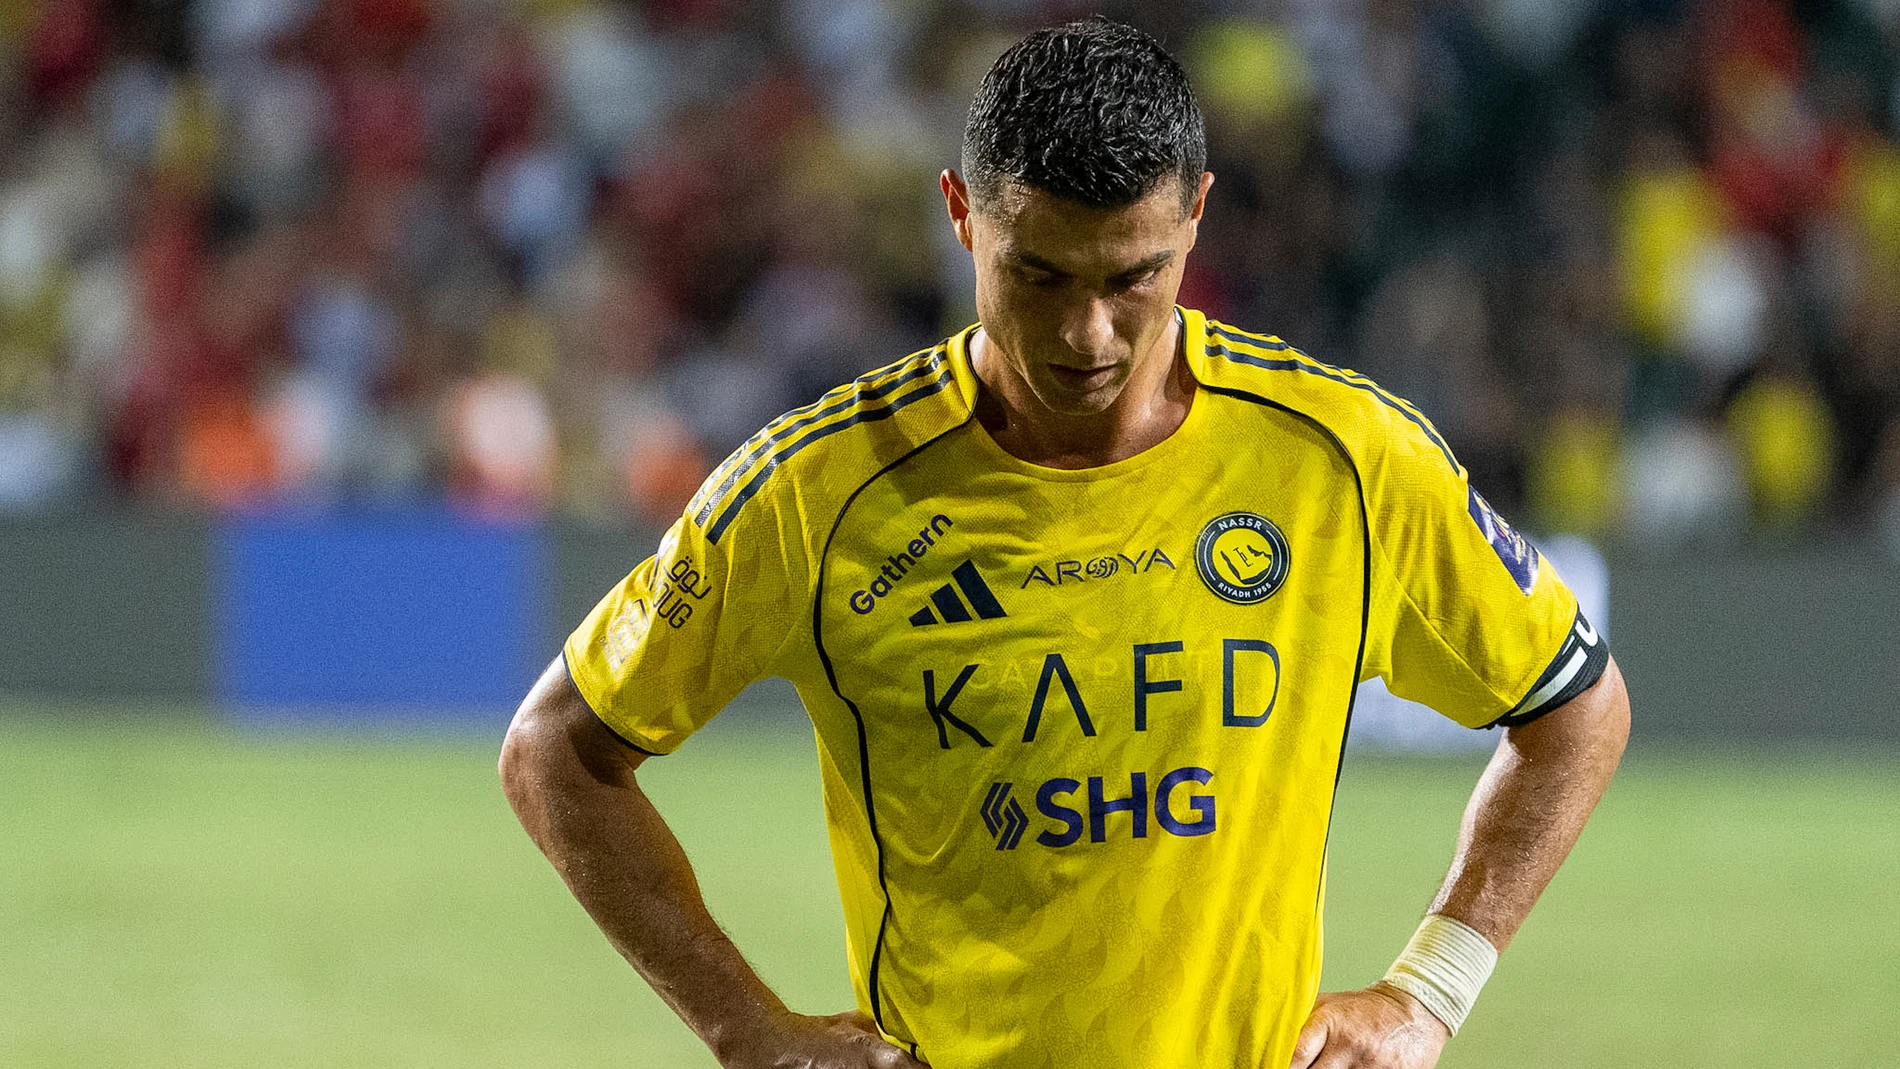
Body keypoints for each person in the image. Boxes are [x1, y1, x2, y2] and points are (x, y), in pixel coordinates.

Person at [500, 18, 1630, 1069]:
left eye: (1133, 276)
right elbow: (556, 751)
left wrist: (1431, 986)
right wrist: (752, 1032)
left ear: (1196, 215)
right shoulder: (819, 490)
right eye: (1036, 275)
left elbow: (1576, 704)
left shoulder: (1339, 460)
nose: (1087, 334)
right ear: (959, 214)